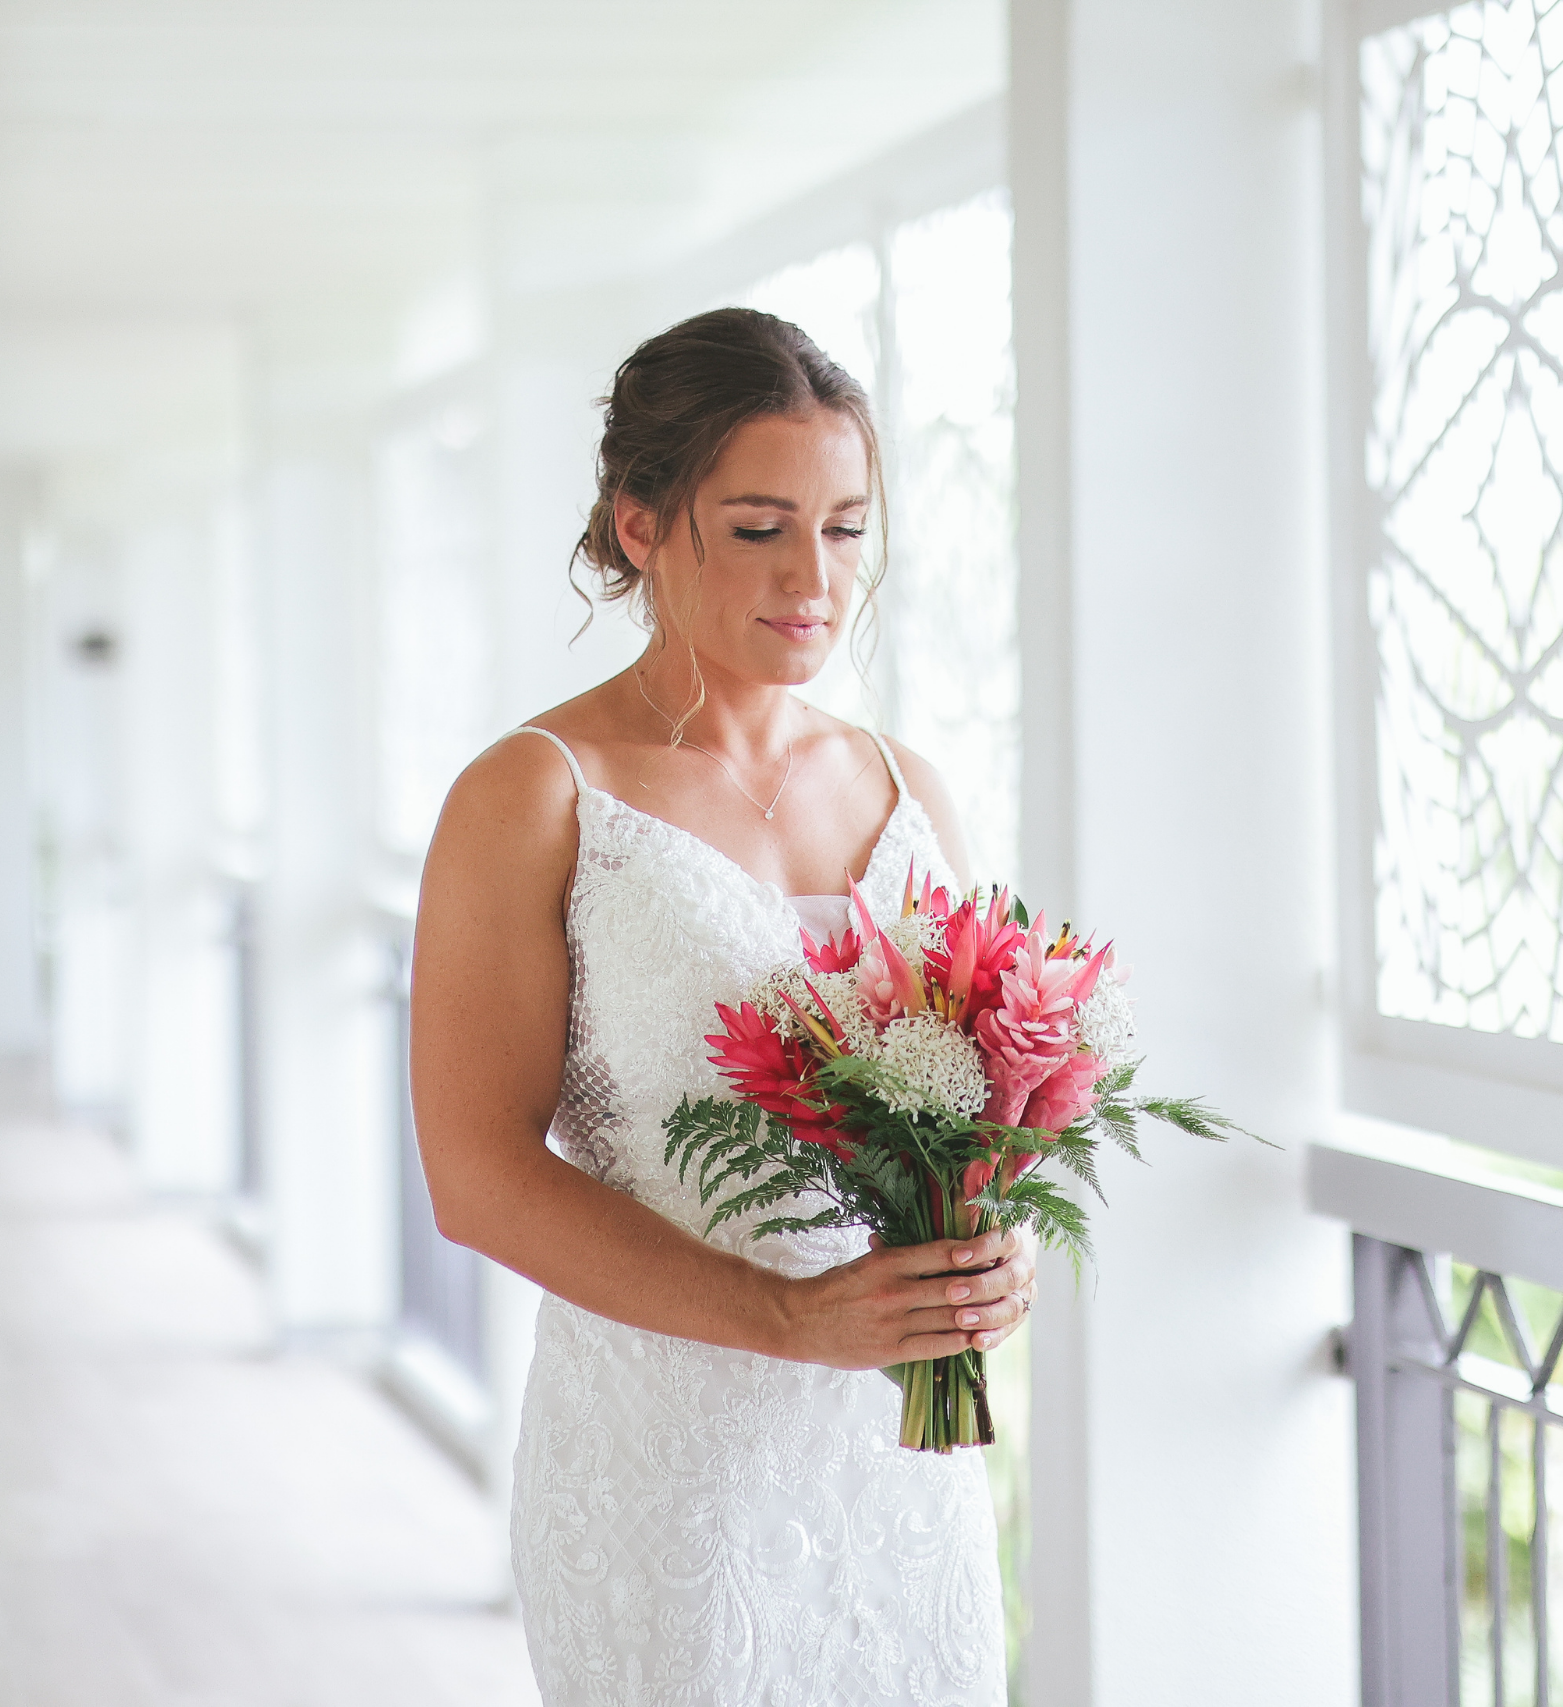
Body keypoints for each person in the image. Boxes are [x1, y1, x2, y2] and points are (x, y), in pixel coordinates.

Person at [411, 308, 1031, 1706]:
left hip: (902, 1464)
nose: (814, 576)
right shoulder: (533, 795)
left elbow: (981, 1103)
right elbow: (477, 1176)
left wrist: (991, 1253)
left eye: (846, 527)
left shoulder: (910, 789)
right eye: (759, 526)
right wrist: (787, 1315)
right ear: (641, 524)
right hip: (669, 1461)